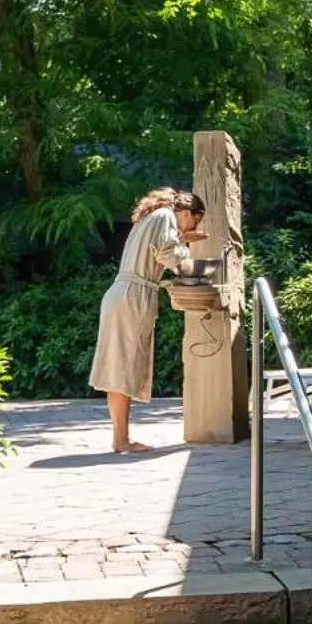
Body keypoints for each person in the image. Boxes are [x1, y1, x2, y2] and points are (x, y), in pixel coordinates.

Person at [89, 187, 208, 453]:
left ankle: (120, 438)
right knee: (124, 367)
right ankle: (121, 440)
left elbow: (157, 248)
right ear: (187, 211)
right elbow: (167, 255)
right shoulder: (166, 215)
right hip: (134, 297)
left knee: (117, 366)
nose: (194, 225)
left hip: (120, 294)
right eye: (195, 220)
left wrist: (181, 236)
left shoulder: (150, 217)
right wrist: (186, 248)